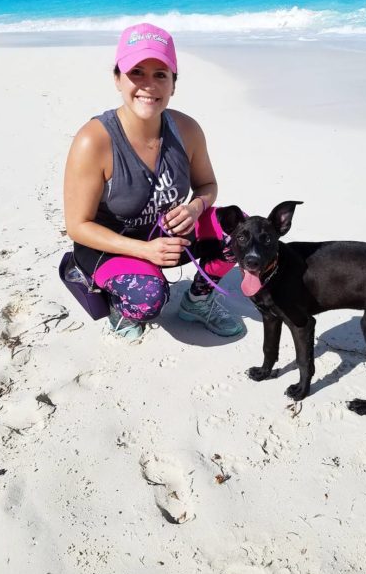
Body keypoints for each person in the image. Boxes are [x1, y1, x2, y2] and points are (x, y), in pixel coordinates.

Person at [63, 22, 244, 341]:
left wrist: (193, 208)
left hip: (167, 235)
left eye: (160, 74)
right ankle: (118, 309)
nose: (149, 85)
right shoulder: (94, 141)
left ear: (173, 84)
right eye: (137, 72)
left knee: (240, 231)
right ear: (117, 78)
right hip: (110, 244)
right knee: (148, 297)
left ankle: (198, 301)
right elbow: (78, 226)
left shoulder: (187, 130)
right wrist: (144, 251)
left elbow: (208, 186)